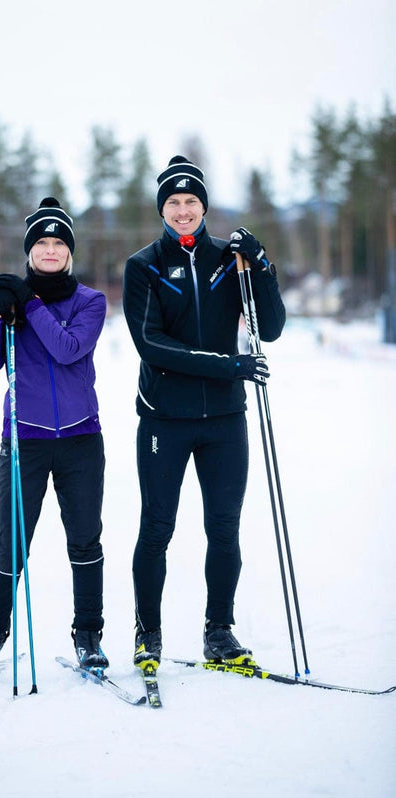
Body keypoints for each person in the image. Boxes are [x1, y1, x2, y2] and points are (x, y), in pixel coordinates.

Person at [122, 156, 286, 670]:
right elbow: (151, 344)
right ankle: (148, 633)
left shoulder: (227, 260)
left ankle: (219, 632)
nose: (183, 210)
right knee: (157, 528)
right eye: (173, 202)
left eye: (191, 201)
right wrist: (228, 365)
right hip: (164, 419)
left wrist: (262, 266)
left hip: (223, 420)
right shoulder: (143, 266)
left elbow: (271, 327)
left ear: (204, 206)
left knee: (224, 527)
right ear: (162, 209)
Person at [0, 197, 109, 674]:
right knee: (11, 544)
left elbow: (68, 350)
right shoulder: (12, 302)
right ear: (29, 251)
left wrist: (30, 302)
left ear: (70, 251)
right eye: (41, 242)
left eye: (59, 243)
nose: (50, 250)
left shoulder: (90, 302)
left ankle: (88, 635)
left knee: (84, 541)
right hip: (24, 441)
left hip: (81, 440)